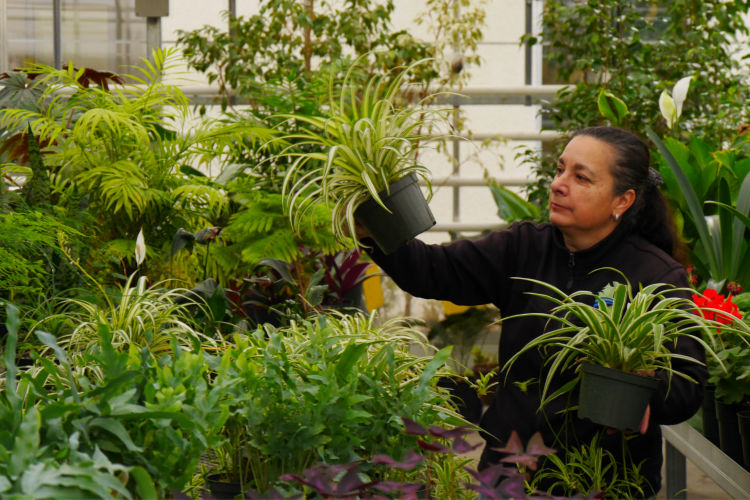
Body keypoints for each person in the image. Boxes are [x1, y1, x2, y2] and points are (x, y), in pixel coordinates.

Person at [360, 126, 706, 497]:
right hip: (512, 475)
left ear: (622, 200)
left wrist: (644, 385)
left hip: (605, 482)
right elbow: (432, 271)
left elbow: (687, 386)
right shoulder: (523, 247)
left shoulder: (655, 275)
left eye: (581, 177)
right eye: (560, 170)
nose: (559, 184)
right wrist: (371, 226)